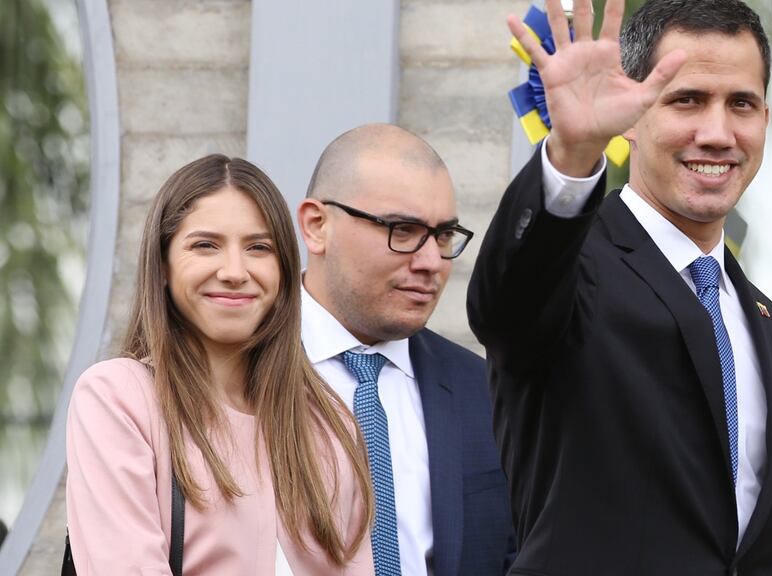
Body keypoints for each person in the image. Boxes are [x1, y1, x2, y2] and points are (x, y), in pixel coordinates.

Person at [467, 0, 772, 574]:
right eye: (686, 100)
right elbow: (505, 306)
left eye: (742, 104)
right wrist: (573, 155)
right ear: (630, 116)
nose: (717, 133)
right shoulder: (572, 271)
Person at [65, 155, 374, 575]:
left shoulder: (329, 422)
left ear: (283, 270)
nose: (234, 271)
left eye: (258, 248)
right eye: (205, 245)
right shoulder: (118, 398)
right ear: (162, 266)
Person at [296, 124, 515, 576]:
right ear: (317, 226)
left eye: (443, 235)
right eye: (402, 229)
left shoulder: (484, 393)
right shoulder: (228, 370)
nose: (431, 262)